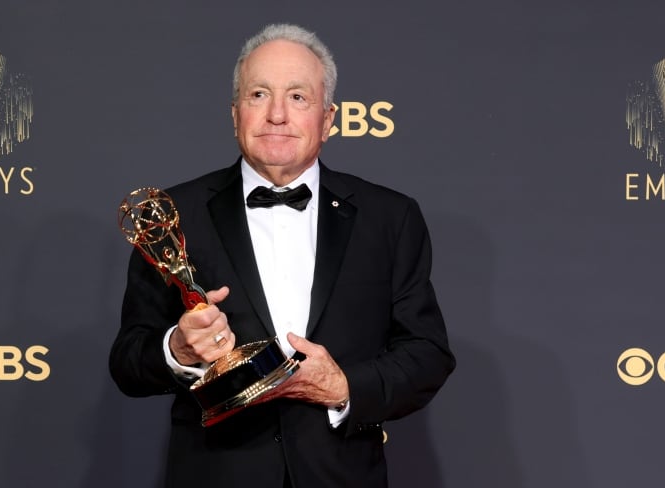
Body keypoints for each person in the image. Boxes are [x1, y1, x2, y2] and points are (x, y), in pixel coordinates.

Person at [109, 23, 455, 488]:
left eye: (298, 97)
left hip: (342, 475)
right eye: (258, 95)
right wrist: (178, 349)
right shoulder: (172, 215)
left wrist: (344, 386)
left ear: (328, 119)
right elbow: (128, 362)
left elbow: (427, 354)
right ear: (235, 114)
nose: (277, 115)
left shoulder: (389, 217)